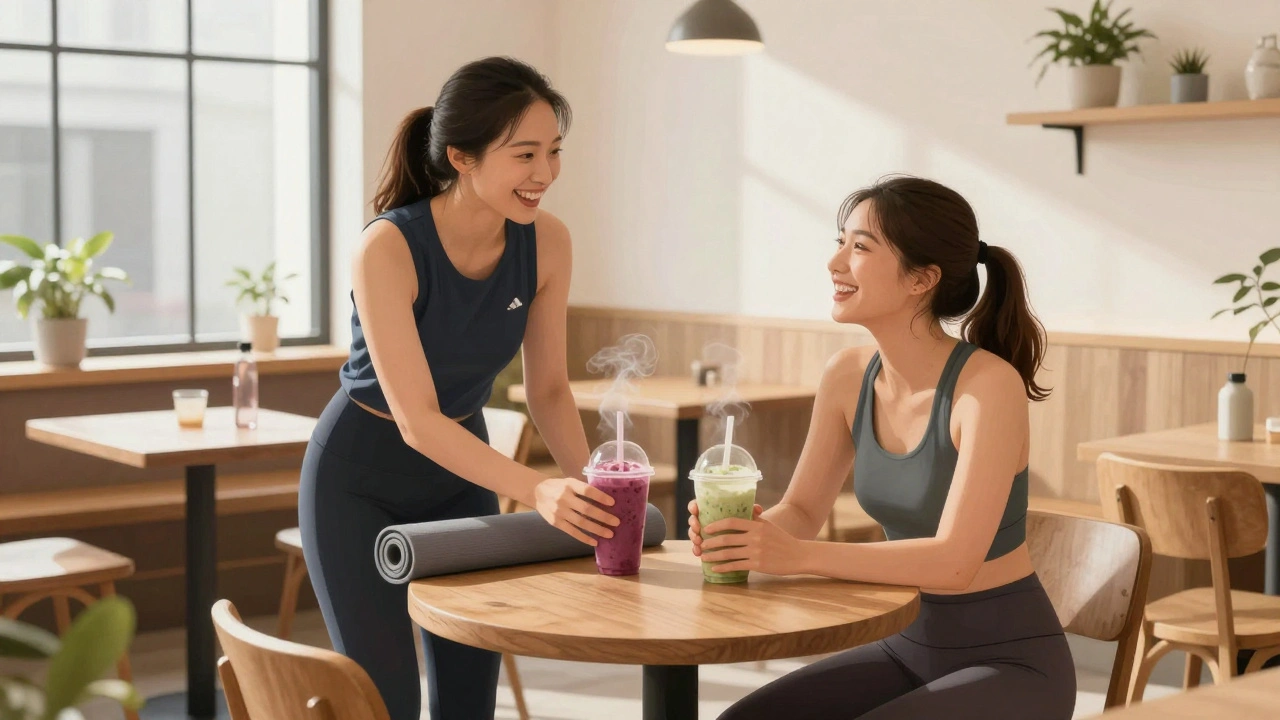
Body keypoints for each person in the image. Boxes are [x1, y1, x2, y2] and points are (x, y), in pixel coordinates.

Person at [298, 56, 619, 720]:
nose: (545, 174)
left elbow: (550, 390)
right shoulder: (386, 248)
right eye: (524, 154)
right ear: (461, 158)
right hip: (358, 477)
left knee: (469, 699)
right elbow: (416, 418)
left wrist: (593, 490)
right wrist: (536, 489)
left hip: (457, 480)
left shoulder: (548, 243)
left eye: (554, 152)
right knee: (385, 699)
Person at [692, 175, 1075, 719]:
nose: (836, 263)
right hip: (905, 646)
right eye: (840, 242)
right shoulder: (848, 375)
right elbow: (801, 510)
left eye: (860, 247)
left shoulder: (987, 388)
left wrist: (798, 556)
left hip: (1010, 663)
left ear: (922, 278)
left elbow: (954, 562)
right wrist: (749, 537)